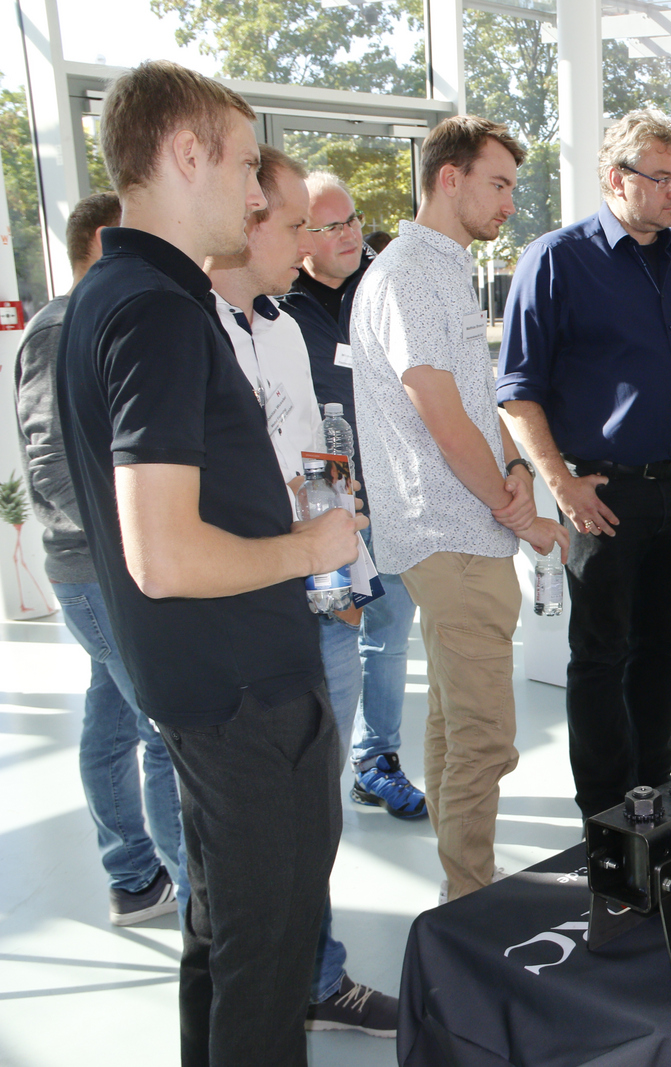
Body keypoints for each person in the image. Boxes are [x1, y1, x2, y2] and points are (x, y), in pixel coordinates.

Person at [56, 60, 361, 1066]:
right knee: (266, 968)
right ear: (184, 154)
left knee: (225, 944)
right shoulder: (156, 311)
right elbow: (163, 553)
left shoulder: (112, 294)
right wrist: (311, 545)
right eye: (241, 167)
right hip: (245, 697)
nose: (256, 195)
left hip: (207, 687)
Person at [206, 144, 398, 1037]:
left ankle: (316, 977)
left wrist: (344, 577)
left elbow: (315, 460)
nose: (314, 240)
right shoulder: (190, 331)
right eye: (296, 225)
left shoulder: (279, 329)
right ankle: (290, 987)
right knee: (250, 857)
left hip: (316, 597)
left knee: (314, 820)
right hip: (239, 629)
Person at [352, 115, 564, 902]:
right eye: (498, 184)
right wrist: (523, 517)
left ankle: (460, 890)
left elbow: (474, 402)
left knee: (450, 726)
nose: (509, 203)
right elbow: (441, 416)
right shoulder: (410, 273)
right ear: (450, 178)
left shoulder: (441, 268)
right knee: (486, 739)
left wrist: (514, 464)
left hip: (461, 530)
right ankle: (470, 902)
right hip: (452, 535)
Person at [497, 108, 671, 820]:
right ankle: (603, 813)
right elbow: (517, 391)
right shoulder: (556, 260)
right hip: (605, 494)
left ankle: (651, 792)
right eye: (661, 177)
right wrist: (560, 484)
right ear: (617, 178)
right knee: (600, 657)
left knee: (662, 652)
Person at [13, 191, 188, 928]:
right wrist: (138, 536)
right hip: (96, 568)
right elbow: (50, 461)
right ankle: (194, 899)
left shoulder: (94, 316)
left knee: (113, 719)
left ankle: (133, 877)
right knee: (164, 730)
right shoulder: (62, 327)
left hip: (104, 566)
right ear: (102, 239)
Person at [282, 170, 426, 820]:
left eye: (353, 220)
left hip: (392, 490)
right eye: (330, 226)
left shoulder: (383, 286)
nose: (350, 235)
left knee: (389, 632)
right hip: (323, 500)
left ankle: (376, 762)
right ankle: (317, 784)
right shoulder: (278, 307)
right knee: (333, 639)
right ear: (300, 236)